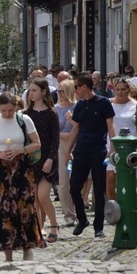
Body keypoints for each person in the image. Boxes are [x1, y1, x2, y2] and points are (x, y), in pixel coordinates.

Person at [0, 92, 43, 261]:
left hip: (22, 165)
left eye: (10, 110)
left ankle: (27, 247)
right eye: (4, 110)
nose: (7, 114)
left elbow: (37, 143)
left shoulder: (24, 120)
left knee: (25, 206)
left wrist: (20, 150)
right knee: (3, 208)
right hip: (2, 167)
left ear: (15, 107)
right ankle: (7, 251)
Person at [63, 73, 116, 238]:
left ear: (84, 87)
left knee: (99, 190)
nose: (75, 90)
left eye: (76, 87)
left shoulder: (103, 103)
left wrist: (112, 148)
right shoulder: (79, 105)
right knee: (74, 188)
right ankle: (82, 219)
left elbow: (111, 127)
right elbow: (76, 129)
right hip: (81, 151)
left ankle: (98, 226)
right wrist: (68, 151)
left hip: (98, 151)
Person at [24, 78, 60, 243]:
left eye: (34, 90)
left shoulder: (51, 113)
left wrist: (51, 159)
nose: (31, 93)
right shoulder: (26, 114)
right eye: (30, 90)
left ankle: (54, 225)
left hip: (47, 158)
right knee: (35, 198)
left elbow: (55, 139)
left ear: (43, 92)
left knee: (43, 195)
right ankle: (39, 227)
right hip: (32, 159)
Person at [106, 79, 137, 201]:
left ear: (129, 90)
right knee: (110, 176)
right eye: (117, 89)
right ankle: (114, 206)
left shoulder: (136, 106)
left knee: (129, 179)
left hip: (131, 146)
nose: (120, 92)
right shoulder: (109, 103)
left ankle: (129, 205)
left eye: (123, 89)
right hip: (112, 144)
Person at [55, 79, 78, 227]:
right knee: (63, 183)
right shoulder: (55, 109)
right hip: (62, 144)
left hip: (78, 143)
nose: (60, 94)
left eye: (62, 91)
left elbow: (82, 126)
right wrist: (61, 135)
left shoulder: (78, 106)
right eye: (58, 91)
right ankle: (69, 214)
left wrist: (71, 121)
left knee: (77, 181)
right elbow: (50, 131)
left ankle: (79, 210)